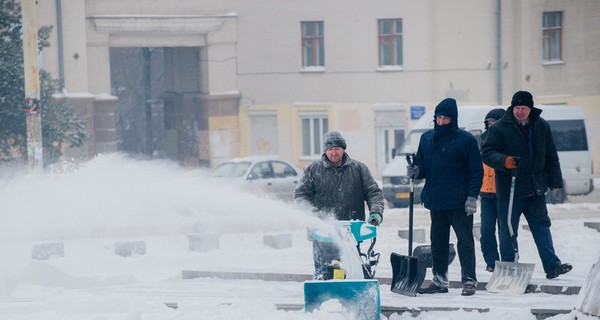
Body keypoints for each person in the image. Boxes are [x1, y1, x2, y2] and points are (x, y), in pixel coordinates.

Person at [482, 90, 572, 279]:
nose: (520, 111)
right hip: (510, 190)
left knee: (541, 226)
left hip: (535, 188)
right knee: (508, 230)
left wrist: (555, 179)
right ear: (512, 108)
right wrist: (504, 161)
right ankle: (508, 267)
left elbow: (550, 154)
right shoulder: (500, 128)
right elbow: (488, 152)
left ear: (530, 109)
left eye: (524, 108)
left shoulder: (541, 126)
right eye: (517, 108)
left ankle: (552, 265)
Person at [406, 98, 483, 296]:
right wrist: (416, 171)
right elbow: (423, 166)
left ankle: (469, 280)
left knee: (464, 240)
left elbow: (476, 171)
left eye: (445, 119)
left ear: (453, 120)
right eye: (438, 118)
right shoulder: (427, 138)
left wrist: (472, 196)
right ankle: (439, 280)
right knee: (437, 242)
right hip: (436, 199)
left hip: (460, 202)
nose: (441, 122)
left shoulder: (465, 140)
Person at [293, 131, 385, 280]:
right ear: (325, 151)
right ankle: (324, 298)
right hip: (322, 232)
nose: (333, 152)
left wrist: (376, 212)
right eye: (330, 149)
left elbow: (373, 192)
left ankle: (350, 297)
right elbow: (299, 196)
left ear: (343, 149)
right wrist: (312, 212)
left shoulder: (359, 169)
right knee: (325, 273)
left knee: (350, 270)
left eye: (337, 148)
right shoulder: (313, 170)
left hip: (351, 231)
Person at [479, 108, 505, 272]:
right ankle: (491, 262)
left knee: (505, 231)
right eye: (489, 123)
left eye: (494, 122)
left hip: (502, 192)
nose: (491, 126)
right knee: (486, 231)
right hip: (485, 192)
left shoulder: (508, 140)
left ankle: (508, 260)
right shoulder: (482, 141)